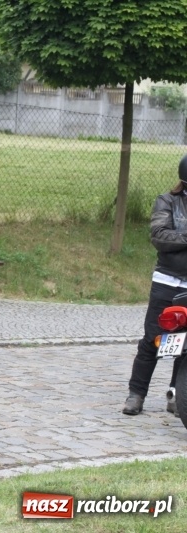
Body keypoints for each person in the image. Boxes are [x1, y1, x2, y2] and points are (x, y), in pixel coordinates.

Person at [122, 154, 187, 417]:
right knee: (153, 339)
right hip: (167, 281)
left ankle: (177, 396)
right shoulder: (167, 201)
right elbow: (160, 235)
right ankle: (136, 395)